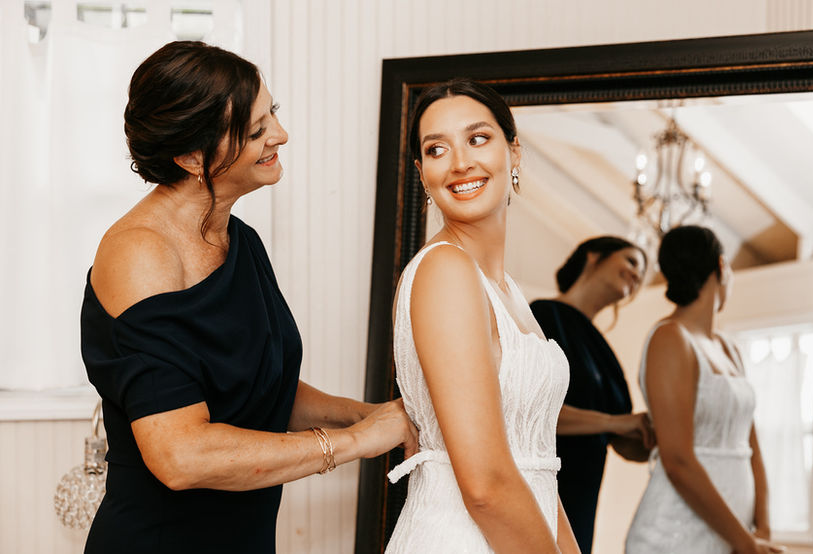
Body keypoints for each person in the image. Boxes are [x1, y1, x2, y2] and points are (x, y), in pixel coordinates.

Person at [80, 41, 418, 554]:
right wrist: (356, 442)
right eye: (258, 130)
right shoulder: (140, 255)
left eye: (273, 114)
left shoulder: (241, 241)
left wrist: (369, 415)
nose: (281, 135)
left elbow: (260, 390)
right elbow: (181, 456)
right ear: (193, 156)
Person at [383, 78, 580, 553]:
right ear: (422, 173)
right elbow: (486, 486)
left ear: (513, 152)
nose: (460, 163)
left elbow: (534, 464)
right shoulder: (444, 272)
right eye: (436, 149)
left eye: (477, 138)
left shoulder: (507, 290)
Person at [624, 226, 783, 554]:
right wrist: (746, 542)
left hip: (736, 536)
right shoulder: (670, 339)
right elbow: (677, 460)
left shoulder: (729, 348)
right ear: (722, 267)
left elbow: (751, 445)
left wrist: (762, 530)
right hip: (675, 536)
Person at [530, 236, 655, 553]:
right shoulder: (543, 316)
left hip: (584, 495)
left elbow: (625, 441)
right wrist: (617, 422)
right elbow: (535, 412)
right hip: (544, 486)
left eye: (641, 273)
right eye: (631, 261)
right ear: (593, 256)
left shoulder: (604, 352)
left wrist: (660, 433)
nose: (637, 275)